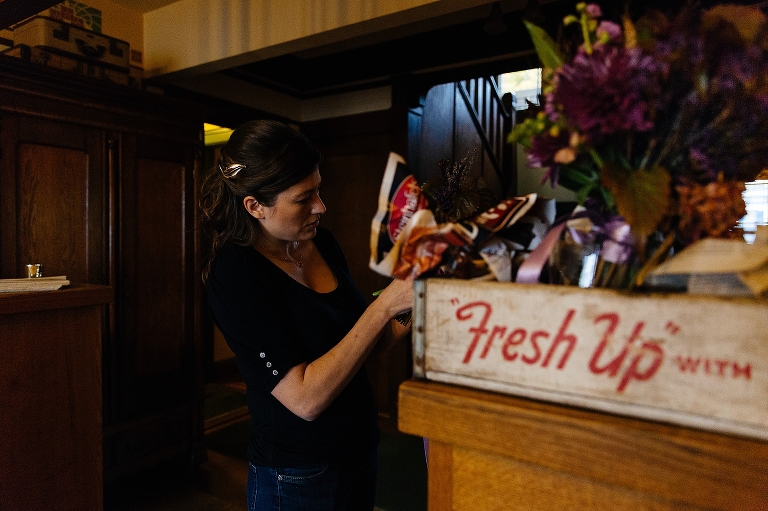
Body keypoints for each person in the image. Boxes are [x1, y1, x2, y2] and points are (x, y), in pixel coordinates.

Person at [200, 119, 414, 511]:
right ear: (255, 207)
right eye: (304, 198)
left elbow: (366, 350)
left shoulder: (322, 242)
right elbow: (305, 399)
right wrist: (383, 305)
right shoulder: (234, 274)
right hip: (296, 474)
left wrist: (414, 301)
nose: (321, 206)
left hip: (360, 451)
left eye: (319, 189)